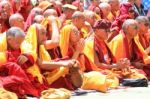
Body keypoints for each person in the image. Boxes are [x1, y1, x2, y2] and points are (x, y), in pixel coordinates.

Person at [24, 22, 83, 90]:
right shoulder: (28, 46)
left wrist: (79, 52)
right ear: (35, 34)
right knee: (66, 65)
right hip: (35, 77)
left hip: (45, 72)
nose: (45, 37)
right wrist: (65, 63)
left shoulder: (40, 46)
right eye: (42, 33)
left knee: (67, 63)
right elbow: (41, 64)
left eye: (45, 33)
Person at [0, 27, 39, 97]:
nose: (19, 45)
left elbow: (30, 51)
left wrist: (27, 56)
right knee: (14, 67)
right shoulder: (1, 42)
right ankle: (30, 93)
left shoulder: (19, 41)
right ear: (9, 39)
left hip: (18, 74)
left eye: (20, 43)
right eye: (18, 43)